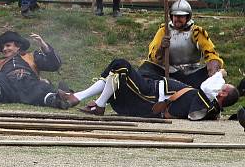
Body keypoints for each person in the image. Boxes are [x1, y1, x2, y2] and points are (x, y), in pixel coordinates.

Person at [59, 58, 238, 119]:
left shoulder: (208, 99)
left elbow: (207, 85)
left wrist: (221, 72)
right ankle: (81, 98)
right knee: (117, 73)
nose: (220, 84)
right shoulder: (208, 103)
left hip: (150, 95)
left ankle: (95, 104)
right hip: (151, 90)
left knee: (121, 65)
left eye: (223, 86)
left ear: (222, 93)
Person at [138, 0, 223, 89]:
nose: (177, 19)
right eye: (175, 16)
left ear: (187, 17)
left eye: (181, 17)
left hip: (192, 72)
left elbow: (210, 53)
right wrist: (161, 48)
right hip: (170, 71)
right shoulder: (164, 31)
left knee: (211, 77)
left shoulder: (196, 32)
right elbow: (153, 57)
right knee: (145, 68)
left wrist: (213, 66)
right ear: (171, 16)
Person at [0, 31, 70, 109]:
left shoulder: (32, 56)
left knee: (43, 85)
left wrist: (44, 45)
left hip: (29, 85)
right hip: (9, 88)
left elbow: (54, 65)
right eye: (3, 47)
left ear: (18, 46)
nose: (4, 49)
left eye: (8, 45)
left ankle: (58, 100)